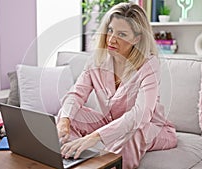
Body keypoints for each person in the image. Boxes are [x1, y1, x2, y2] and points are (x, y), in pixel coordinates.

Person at [57, 2, 177, 168]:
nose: (112, 39)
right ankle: (75, 159)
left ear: (136, 38)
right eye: (110, 30)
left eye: (121, 34)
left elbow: (140, 116)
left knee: (133, 132)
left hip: (150, 128)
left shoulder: (149, 64)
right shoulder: (97, 60)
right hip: (111, 122)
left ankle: (109, 164)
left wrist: (93, 137)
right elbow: (76, 94)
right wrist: (65, 120)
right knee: (69, 115)